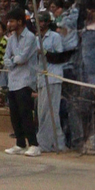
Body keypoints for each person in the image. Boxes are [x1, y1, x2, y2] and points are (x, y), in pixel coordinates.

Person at [3, 7, 40, 156]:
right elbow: (6, 58)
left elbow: (23, 58)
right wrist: (13, 61)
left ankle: (34, 144)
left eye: (12, 21)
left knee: (25, 113)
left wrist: (12, 60)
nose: (9, 24)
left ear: (19, 21)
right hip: (12, 80)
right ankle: (20, 143)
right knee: (14, 114)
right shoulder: (11, 38)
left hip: (25, 80)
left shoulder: (30, 37)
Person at [36, 11, 66, 152]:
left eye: (42, 21)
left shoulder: (55, 37)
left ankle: (44, 144)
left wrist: (43, 52)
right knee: (44, 112)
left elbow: (59, 57)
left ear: (47, 22)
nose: (39, 24)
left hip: (53, 77)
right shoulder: (36, 38)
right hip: (41, 78)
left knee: (49, 112)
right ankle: (58, 143)